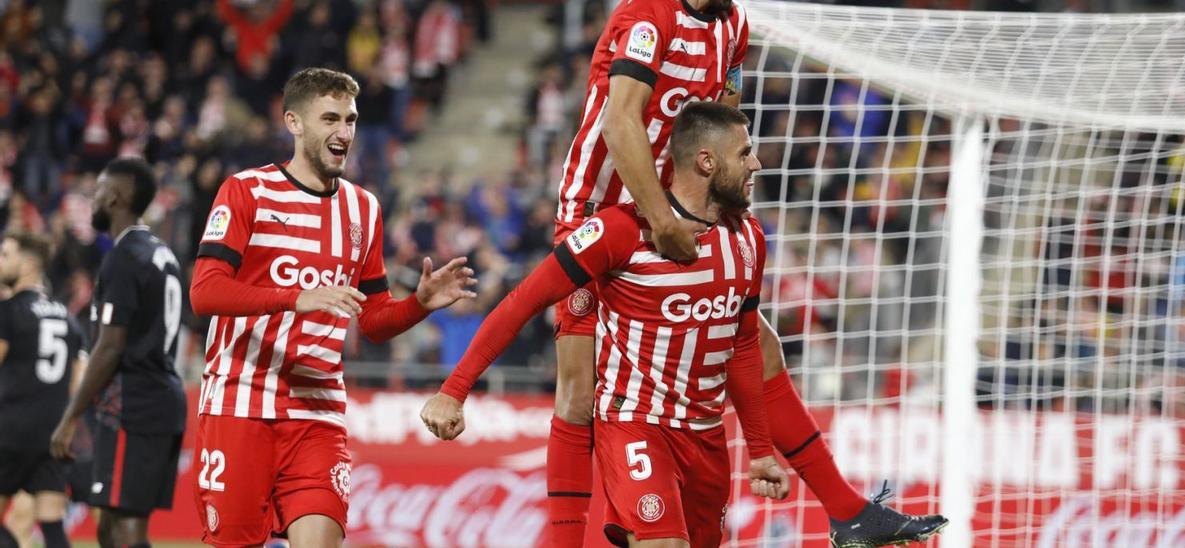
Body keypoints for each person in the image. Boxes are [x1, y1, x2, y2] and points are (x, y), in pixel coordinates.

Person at [494, 0, 946, 544]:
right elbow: (620, 122)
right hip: (603, 215)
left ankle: (848, 512)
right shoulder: (647, 18)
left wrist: (729, 212)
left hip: (678, 214)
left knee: (758, 345)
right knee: (580, 392)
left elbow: (723, 117)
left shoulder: (734, 25)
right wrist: (660, 220)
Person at [425, 101, 790, 547]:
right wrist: (453, 390)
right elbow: (524, 300)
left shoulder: (748, 239)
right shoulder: (619, 231)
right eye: (744, 153)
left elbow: (745, 347)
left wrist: (758, 451)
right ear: (706, 161)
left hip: (706, 436)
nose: (755, 163)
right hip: (635, 424)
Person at [186, 68, 476, 548]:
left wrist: (420, 305)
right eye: (330, 119)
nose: (344, 133)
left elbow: (375, 320)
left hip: (318, 412)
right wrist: (296, 298)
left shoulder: (364, 209)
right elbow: (205, 292)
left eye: (351, 120)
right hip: (240, 404)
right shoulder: (245, 192)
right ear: (294, 123)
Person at [49, 158, 187, 548]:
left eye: (98, 191)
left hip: (134, 402)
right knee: (111, 522)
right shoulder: (160, 251)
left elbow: (110, 346)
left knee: (125, 526)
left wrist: (71, 415)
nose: (93, 199)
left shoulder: (124, 256)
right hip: (159, 397)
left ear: (116, 196)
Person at [0, 232, 84, 548]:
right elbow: (79, 380)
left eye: (6, 255)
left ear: (29, 263)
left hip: (10, 429)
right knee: (52, 526)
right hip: (53, 434)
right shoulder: (68, 318)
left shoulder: (8, 312)